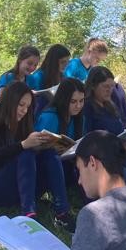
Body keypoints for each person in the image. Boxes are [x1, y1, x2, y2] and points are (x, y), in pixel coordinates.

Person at [0, 81, 72, 226]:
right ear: (10, 102)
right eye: (21, 105)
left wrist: (44, 146)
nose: (24, 110)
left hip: (24, 186)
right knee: (26, 154)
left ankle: (62, 211)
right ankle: (29, 215)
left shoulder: (23, 124)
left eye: (28, 106)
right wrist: (23, 145)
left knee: (49, 153)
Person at [83, 66, 126, 197]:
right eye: (106, 86)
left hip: (122, 157)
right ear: (93, 86)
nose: (110, 90)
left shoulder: (109, 105)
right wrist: (119, 148)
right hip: (106, 164)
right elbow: (88, 141)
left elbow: (120, 131)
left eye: (112, 86)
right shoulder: (87, 108)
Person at [35, 78, 86, 216]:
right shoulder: (50, 117)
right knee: (51, 155)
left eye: (81, 101)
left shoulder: (78, 118)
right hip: (45, 168)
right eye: (73, 101)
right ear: (64, 100)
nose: (78, 106)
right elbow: (34, 149)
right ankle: (62, 210)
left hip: (67, 165)